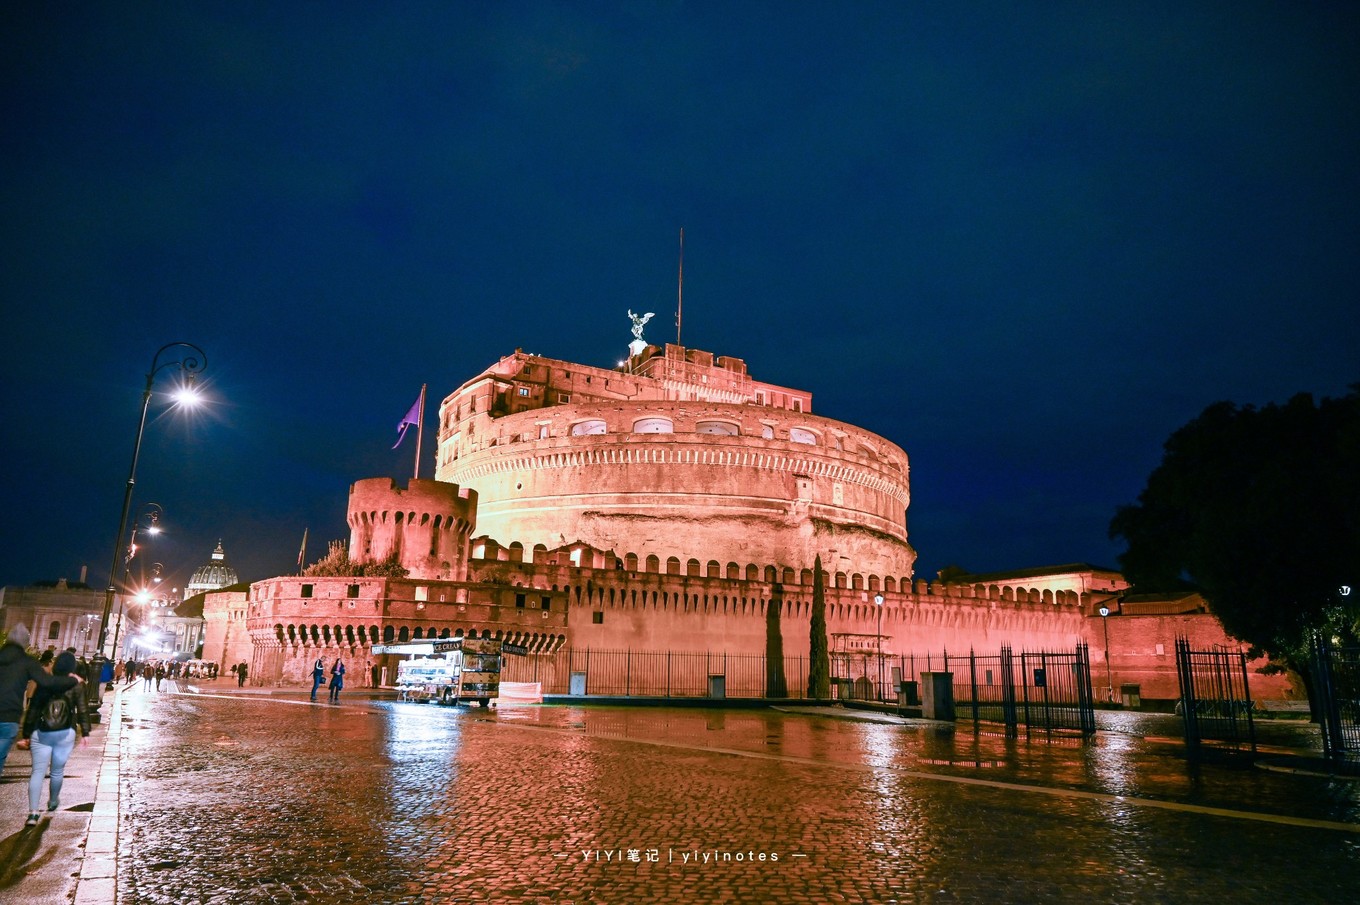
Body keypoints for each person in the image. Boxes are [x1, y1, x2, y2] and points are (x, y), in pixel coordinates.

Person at [1, 624, 81, 778]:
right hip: (8, 715)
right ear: (25, 643)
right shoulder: (27, 662)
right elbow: (47, 682)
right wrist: (73, 680)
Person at [21, 651, 90, 826]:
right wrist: (86, 732)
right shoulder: (77, 685)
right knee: (57, 771)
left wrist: (27, 734)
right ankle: (52, 801)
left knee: (37, 772)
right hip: (65, 732)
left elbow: (33, 709)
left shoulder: (45, 683)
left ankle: (33, 813)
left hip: (42, 731)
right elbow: (82, 710)